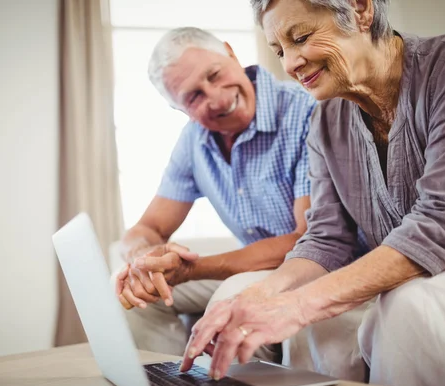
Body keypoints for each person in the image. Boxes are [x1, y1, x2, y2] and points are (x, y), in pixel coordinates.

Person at [180, 1, 445, 386]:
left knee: (410, 303)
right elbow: (326, 239)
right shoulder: (325, 119)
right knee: (291, 306)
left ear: (360, 10)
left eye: (301, 38)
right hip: (429, 268)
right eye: (279, 51)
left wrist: (299, 305)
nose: (289, 64)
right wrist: (263, 294)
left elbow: (444, 225)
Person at [111, 27, 318, 359]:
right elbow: (147, 229)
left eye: (215, 74)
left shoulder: (305, 112)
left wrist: (195, 268)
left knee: (231, 294)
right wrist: (143, 263)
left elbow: (306, 240)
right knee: (131, 292)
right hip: (259, 266)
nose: (217, 98)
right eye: (194, 96)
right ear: (180, 110)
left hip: (314, 264)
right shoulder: (193, 140)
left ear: (230, 53)